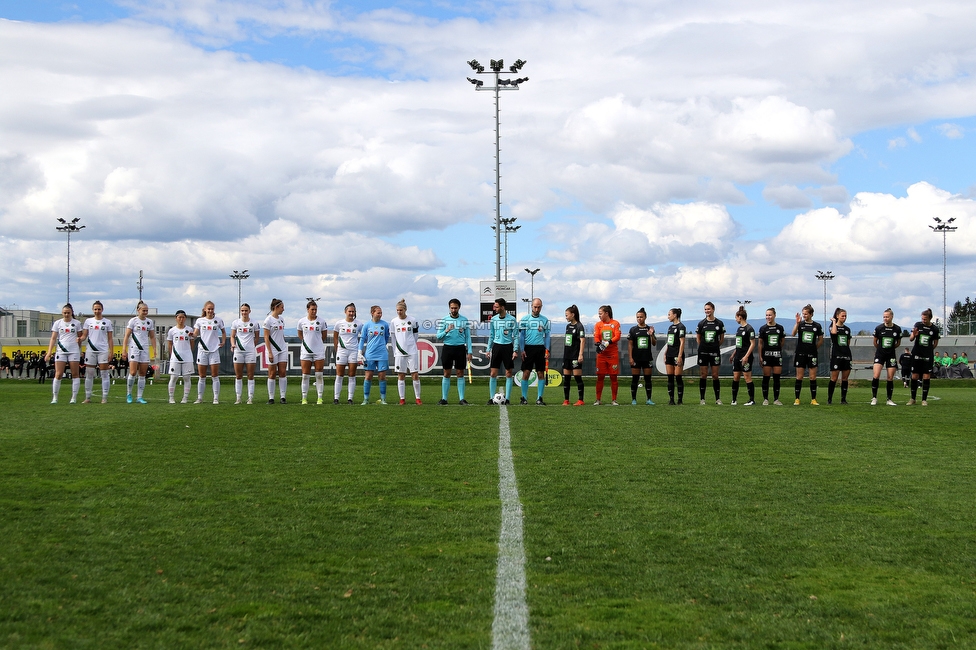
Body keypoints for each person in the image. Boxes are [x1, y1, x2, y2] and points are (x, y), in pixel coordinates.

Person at [435, 298, 473, 405]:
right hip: (448, 348)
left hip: (460, 348)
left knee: (460, 373)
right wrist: (446, 330)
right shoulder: (444, 320)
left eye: (455, 308)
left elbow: (468, 337)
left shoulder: (464, 320)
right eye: (451, 308)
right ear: (449, 308)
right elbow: (438, 336)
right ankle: (444, 399)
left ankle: (462, 399)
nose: (453, 310)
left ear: (459, 308)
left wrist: (469, 351)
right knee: (447, 373)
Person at [46, 303, 83, 404]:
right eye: (65, 313)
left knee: (75, 374)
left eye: (68, 313)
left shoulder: (77, 323)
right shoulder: (58, 323)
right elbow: (53, 338)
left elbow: (80, 337)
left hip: (73, 351)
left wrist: (78, 346)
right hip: (61, 351)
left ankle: (74, 398)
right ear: (62, 313)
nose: (66, 314)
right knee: (58, 374)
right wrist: (49, 352)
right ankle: (55, 397)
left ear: (71, 313)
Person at [122, 301, 157, 404]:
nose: (145, 312)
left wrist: (155, 349)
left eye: (146, 311)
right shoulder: (133, 321)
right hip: (134, 348)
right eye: (143, 310)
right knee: (133, 372)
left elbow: (152, 336)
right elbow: (127, 336)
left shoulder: (149, 322)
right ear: (138, 310)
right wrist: (124, 350)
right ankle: (129, 394)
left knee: (142, 373)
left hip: (145, 348)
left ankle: (139, 397)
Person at [519, 298, 552, 406]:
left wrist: (547, 349)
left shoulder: (545, 320)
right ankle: (524, 398)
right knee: (526, 373)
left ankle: (539, 398)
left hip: (540, 349)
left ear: (541, 307)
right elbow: (522, 336)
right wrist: (522, 349)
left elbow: (547, 336)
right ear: (531, 306)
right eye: (535, 307)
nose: (537, 309)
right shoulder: (524, 319)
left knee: (540, 373)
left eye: (539, 307)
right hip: (528, 348)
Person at [80, 300, 114, 404]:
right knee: (89, 374)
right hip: (90, 350)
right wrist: (80, 338)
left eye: (99, 309)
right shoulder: (88, 321)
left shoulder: (107, 322)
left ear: (102, 310)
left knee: (104, 374)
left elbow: (110, 338)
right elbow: (85, 335)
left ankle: (104, 397)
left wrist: (111, 352)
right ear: (92, 310)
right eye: (95, 309)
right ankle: (88, 397)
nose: (97, 311)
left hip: (103, 350)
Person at [487, 298, 519, 404]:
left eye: (496, 306)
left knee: (508, 373)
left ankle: (508, 399)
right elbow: (491, 335)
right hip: (496, 346)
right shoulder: (493, 319)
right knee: (493, 373)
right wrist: (488, 349)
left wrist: (515, 350)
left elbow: (516, 336)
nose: (494, 308)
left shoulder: (512, 319)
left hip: (507, 347)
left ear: (502, 307)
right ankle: (492, 398)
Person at [194, 301, 226, 404]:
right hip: (202, 350)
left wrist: (223, 342)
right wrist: (192, 335)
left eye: (212, 309)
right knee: (202, 376)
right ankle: (200, 398)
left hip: (214, 350)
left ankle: (215, 398)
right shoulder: (200, 321)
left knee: (215, 375)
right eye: (208, 309)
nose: (210, 311)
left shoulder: (218, 320)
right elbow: (195, 333)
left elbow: (224, 332)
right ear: (204, 309)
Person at [391, 299, 422, 405]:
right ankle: (402, 399)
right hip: (399, 352)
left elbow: (415, 335)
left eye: (401, 310)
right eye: (397, 310)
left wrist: (411, 345)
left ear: (405, 310)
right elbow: (393, 337)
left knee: (415, 374)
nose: (399, 312)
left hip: (411, 351)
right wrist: (396, 350)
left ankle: (418, 398)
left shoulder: (412, 320)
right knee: (401, 375)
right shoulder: (394, 321)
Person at [791, 304, 824, 405]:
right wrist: (797, 323)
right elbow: (793, 334)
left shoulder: (817, 326)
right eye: (803, 314)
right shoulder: (800, 324)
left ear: (811, 314)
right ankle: (797, 399)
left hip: (812, 355)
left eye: (806, 314)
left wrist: (814, 349)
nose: (804, 315)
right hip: (800, 353)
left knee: (812, 377)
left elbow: (820, 340)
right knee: (799, 377)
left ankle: (813, 399)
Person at [297, 300, 328, 405]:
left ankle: (319, 398)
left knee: (319, 375)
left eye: (315, 309)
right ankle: (304, 398)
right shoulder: (301, 321)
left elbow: (323, 336)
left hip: (318, 351)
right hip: (306, 351)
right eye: (312, 309)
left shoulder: (322, 322)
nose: (314, 311)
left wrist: (317, 344)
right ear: (307, 309)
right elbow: (300, 335)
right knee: (305, 375)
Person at [871, 308, 904, 406]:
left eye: (887, 317)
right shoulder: (879, 328)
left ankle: (889, 399)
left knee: (890, 377)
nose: (885, 318)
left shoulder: (897, 329)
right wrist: (880, 349)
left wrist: (890, 349)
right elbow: (875, 342)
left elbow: (898, 343)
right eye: (884, 317)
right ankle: (874, 398)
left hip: (891, 355)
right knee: (876, 375)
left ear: (892, 317)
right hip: (880, 354)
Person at [359, 305, 390, 405]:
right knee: (368, 376)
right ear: (372, 313)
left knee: (382, 376)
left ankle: (383, 399)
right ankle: (366, 399)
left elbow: (386, 338)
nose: (380, 314)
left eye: (381, 313)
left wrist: (380, 346)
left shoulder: (385, 324)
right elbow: (363, 338)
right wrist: (360, 351)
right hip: (370, 354)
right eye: (378, 312)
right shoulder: (367, 325)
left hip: (382, 354)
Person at [696, 301, 725, 405]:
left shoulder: (719, 323)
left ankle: (717, 399)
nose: (707, 311)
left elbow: (721, 339)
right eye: (705, 309)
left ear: (713, 309)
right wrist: (704, 347)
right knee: (703, 375)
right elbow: (698, 338)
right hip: (703, 352)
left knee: (715, 375)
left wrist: (715, 346)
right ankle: (702, 399)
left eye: (708, 309)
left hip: (715, 352)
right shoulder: (701, 323)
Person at [909, 308, 940, 406]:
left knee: (926, 376)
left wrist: (928, 350)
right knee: (914, 376)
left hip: (927, 355)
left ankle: (924, 400)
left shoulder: (934, 329)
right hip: (916, 353)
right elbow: (911, 339)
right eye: (922, 319)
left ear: (930, 318)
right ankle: (913, 398)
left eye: (925, 319)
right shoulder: (918, 325)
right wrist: (914, 335)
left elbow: (935, 343)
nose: (923, 321)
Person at [333, 303, 362, 404]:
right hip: (342, 351)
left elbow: (362, 337)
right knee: (339, 375)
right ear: (345, 312)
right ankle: (336, 398)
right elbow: (335, 337)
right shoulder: (339, 323)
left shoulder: (359, 324)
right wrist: (337, 349)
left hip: (353, 351)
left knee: (352, 375)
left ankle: (350, 398)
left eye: (353, 311)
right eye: (349, 311)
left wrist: (360, 352)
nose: (351, 313)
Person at [592, 305, 622, 405]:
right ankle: (598, 399)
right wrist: (598, 343)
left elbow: (617, 336)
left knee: (613, 376)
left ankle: (614, 400)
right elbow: (596, 336)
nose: (599, 315)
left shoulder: (615, 323)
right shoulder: (598, 325)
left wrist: (608, 342)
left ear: (606, 313)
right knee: (600, 376)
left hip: (612, 354)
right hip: (602, 355)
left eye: (600, 313)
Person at [231, 303, 259, 404]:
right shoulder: (235, 323)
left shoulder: (254, 323)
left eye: (246, 310)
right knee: (238, 375)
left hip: (250, 352)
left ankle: (250, 397)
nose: (244, 312)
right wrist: (233, 345)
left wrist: (251, 346)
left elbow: (256, 337)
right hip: (238, 352)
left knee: (250, 375)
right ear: (240, 311)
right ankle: (238, 397)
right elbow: (232, 336)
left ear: (249, 311)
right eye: (242, 310)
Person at [627, 307, 656, 405]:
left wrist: (651, 335)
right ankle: (634, 399)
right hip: (636, 358)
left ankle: (648, 399)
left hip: (647, 357)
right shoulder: (633, 330)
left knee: (648, 379)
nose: (639, 319)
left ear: (645, 317)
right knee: (635, 378)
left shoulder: (649, 329)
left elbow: (654, 343)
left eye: (641, 317)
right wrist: (630, 357)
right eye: (638, 317)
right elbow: (630, 344)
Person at [757, 308, 786, 405]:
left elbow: (782, 341)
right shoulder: (763, 328)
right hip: (766, 356)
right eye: (766, 315)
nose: (768, 317)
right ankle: (765, 399)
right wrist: (760, 356)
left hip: (777, 356)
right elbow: (760, 344)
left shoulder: (780, 328)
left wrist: (776, 349)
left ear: (774, 315)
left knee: (777, 378)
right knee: (766, 377)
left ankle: (776, 399)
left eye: (770, 315)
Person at [263, 298, 288, 404]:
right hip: (272, 349)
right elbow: (266, 337)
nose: (283, 309)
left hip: (282, 349)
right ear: (276, 307)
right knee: (272, 373)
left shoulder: (281, 319)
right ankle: (271, 397)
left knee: (282, 372)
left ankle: (283, 397)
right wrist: (269, 351)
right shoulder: (268, 320)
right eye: (282, 307)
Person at [166, 309, 195, 404]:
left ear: (185, 318)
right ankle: (171, 398)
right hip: (175, 357)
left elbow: (192, 342)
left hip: (187, 357)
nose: (181, 319)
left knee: (187, 377)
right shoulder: (172, 331)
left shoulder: (189, 330)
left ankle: (185, 398)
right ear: (176, 318)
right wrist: (172, 355)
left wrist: (188, 352)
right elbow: (170, 344)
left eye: (183, 317)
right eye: (179, 317)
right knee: (174, 377)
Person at [730, 307, 756, 406]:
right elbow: (738, 344)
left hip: (746, 357)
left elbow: (753, 344)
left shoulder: (749, 329)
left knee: (747, 377)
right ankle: (734, 400)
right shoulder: (739, 329)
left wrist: (746, 356)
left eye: (736, 317)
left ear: (740, 317)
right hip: (737, 356)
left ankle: (751, 400)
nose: (735, 319)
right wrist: (733, 354)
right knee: (736, 377)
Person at [827, 308, 853, 405]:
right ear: (837, 316)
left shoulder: (847, 329)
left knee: (845, 378)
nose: (844, 317)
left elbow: (848, 343)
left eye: (845, 316)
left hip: (846, 355)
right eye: (842, 316)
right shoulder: (833, 327)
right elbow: (834, 333)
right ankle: (829, 399)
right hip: (836, 356)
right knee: (834, 378)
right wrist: (834, 321)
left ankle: (843, 399)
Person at [562, 305, 586, 406]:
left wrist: (580, 354)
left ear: (573, 315)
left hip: (575, 356)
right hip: (567, 355)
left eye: (567, 315)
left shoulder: (579, 326)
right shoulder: (568, 326)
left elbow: (582, 340)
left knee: (577, 377)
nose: (566, 317)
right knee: (566, 378)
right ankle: (566, 400)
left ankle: (580, 400)